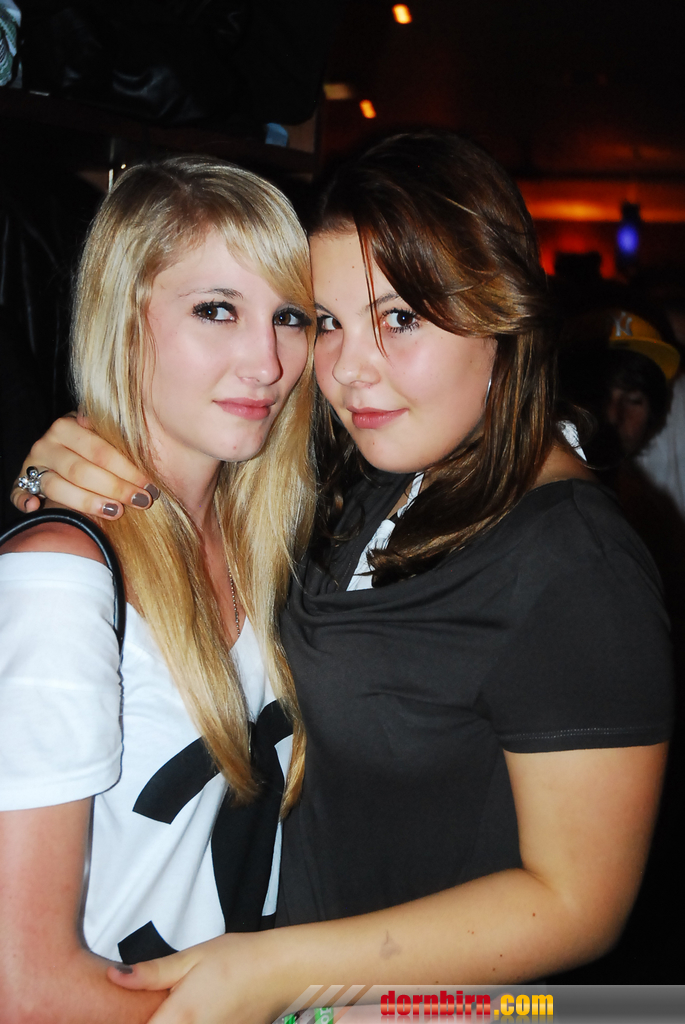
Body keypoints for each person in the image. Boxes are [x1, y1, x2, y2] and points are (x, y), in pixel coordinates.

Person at [12, 132, 672, 1021]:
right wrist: (48, 474)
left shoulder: (574, 565)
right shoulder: (358, 485)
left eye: (398, 318)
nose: (344, 369)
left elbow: (578, 904)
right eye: (326, 320)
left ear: (500, 313)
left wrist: (273, 974)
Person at [0, 155, 316, 1023]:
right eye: (217, 309)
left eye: (289, 316)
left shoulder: (277, 545)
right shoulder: (61, 576)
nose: (267, 361)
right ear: (126, 316)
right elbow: (25, 990)